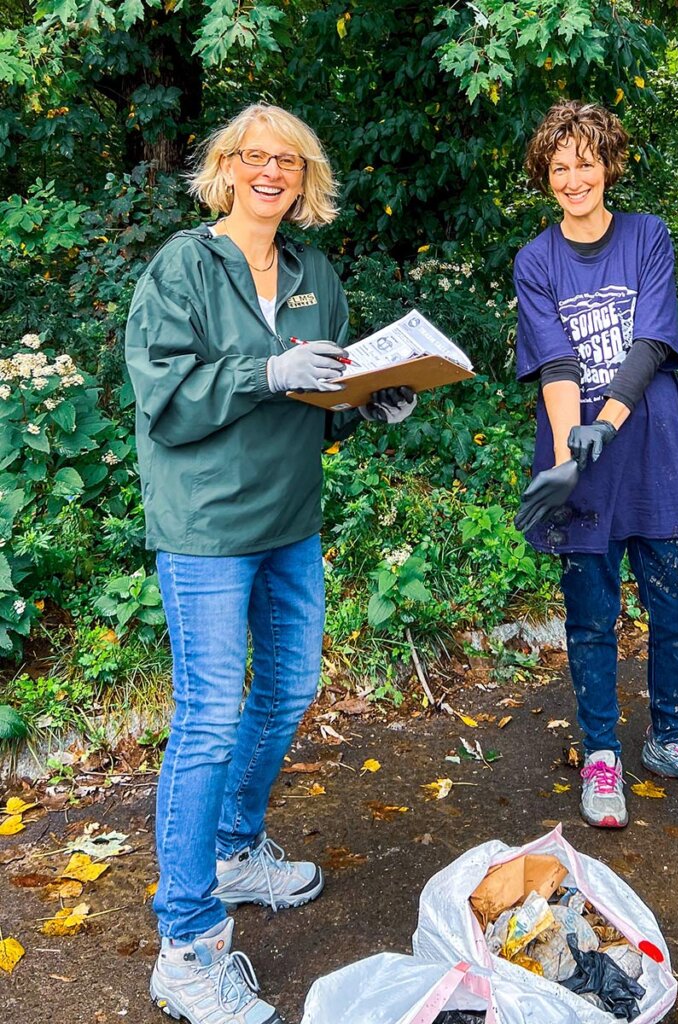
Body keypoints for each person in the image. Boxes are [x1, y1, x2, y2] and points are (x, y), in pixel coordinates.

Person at [125, 103, 416, 1024]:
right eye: (255, 156)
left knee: (287, 691)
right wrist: (265, 373)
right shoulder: (182, 265)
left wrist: (369, 401)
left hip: (290, 521)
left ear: (304, 178)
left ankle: (233, 847)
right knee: (208, 718)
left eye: (288, 160)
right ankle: (187, 945)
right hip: (207, 526)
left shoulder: (312, 271)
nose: (271, 171)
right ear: (225, 168)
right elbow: (166, 399)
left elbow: (315, 401)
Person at [513, 100, 678, 830]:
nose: (573, 178)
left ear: (609, 164)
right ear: (545, 177)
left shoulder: (647, 236)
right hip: (580, 463)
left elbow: (649, 345)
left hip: (652, 452)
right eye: (559, 167)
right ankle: (602, 751)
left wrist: (601, 427)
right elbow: (552, 362)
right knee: (590, 617)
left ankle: (670, 737)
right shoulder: (536, 260)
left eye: (585, 163)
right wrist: (566, 453)